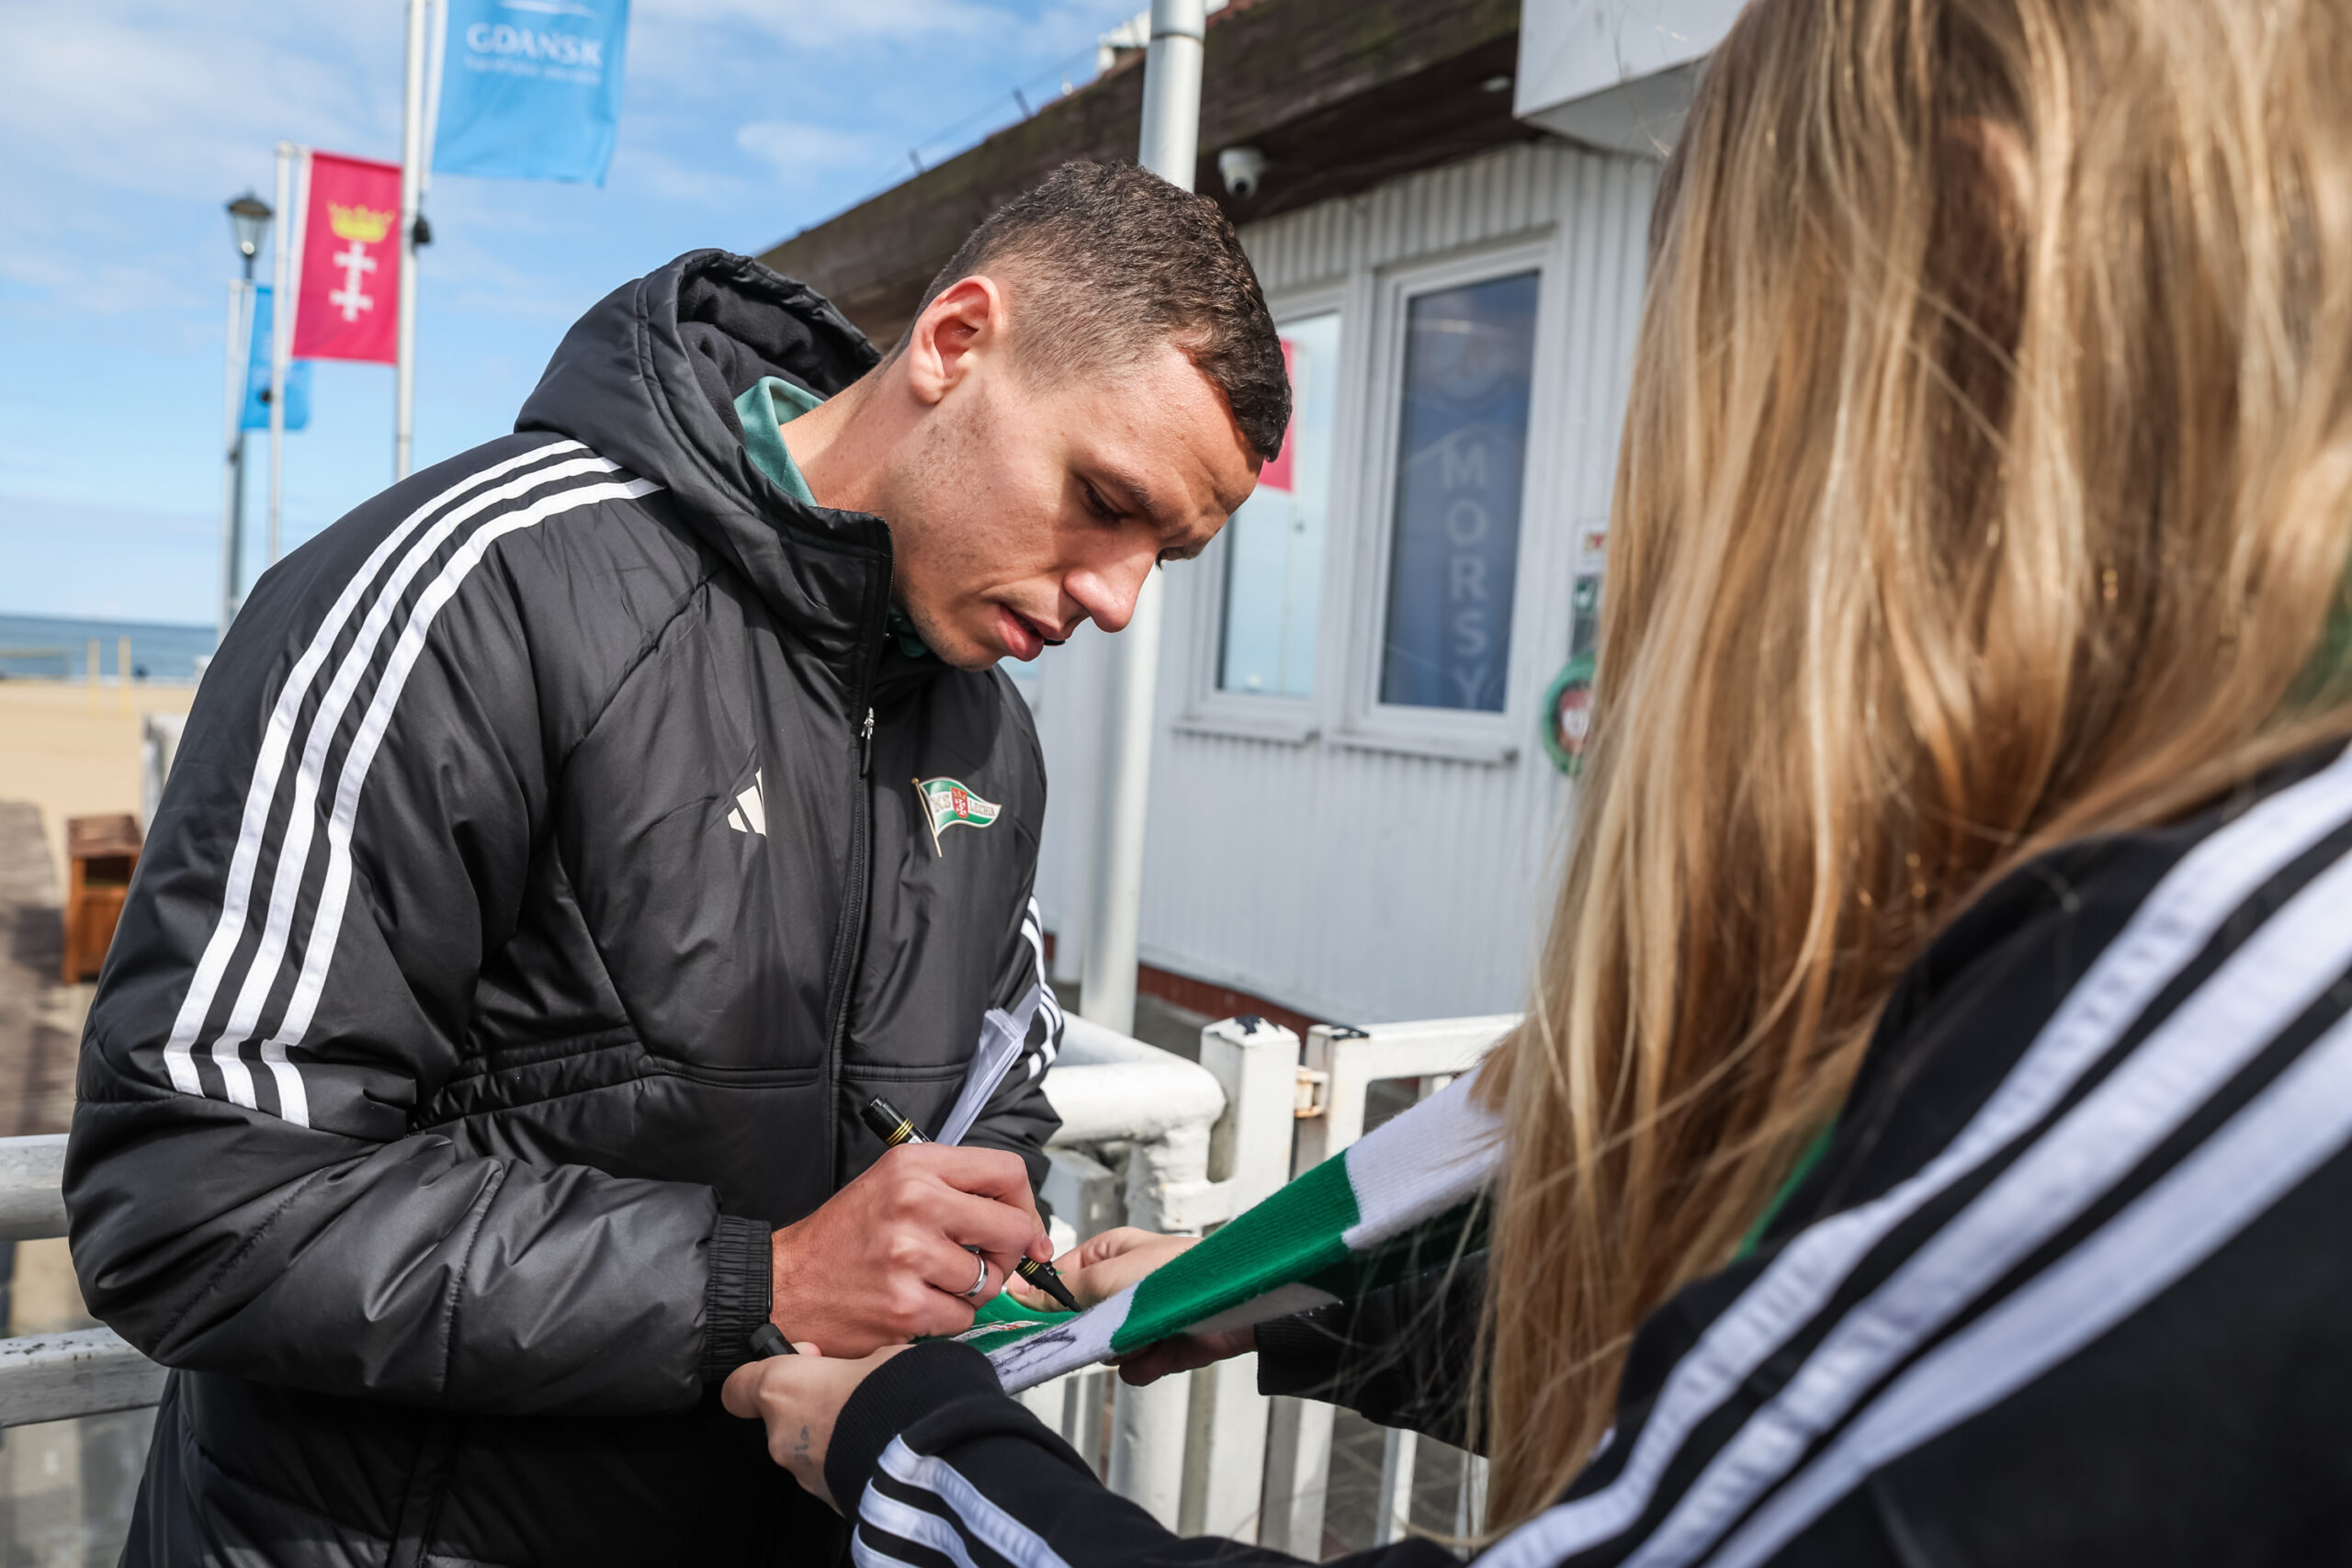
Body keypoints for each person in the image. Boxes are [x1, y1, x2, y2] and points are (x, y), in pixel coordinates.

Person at [723, 0, 2352, 1562]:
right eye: (1102, 500)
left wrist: (924, 1460)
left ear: (1982, 286)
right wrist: (1285, 1297)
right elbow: (1748, 1375)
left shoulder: (2224, 998)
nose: (1116, 603)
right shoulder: (2173, 922)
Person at [62, 161, 1286, 1567]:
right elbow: (188, 1199)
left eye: (1165, 556)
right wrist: (758, 1281)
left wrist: (982, 1265)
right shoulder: (475, 590)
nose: (1119, 601)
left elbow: (990, 1090)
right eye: (1105, 500)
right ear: (956, 342)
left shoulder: (988, 736)